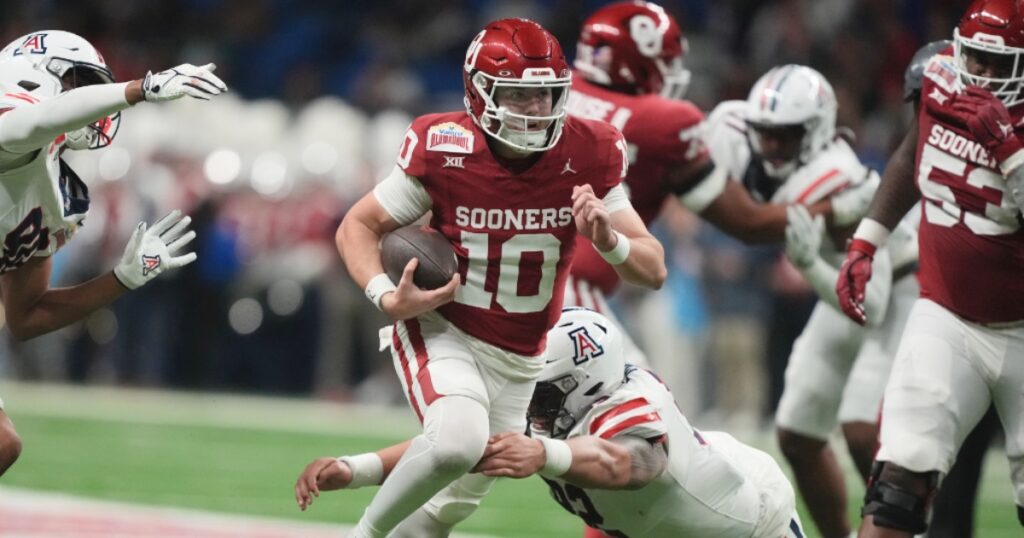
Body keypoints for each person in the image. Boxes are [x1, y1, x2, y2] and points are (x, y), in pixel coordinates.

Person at [333, 18, 666, 538]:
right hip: (446, 325)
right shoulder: (443, 146)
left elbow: (653, 268)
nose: (535, 111)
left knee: (449, 506)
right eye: (517, 96)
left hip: (523, 353)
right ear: (479, 92)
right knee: (455, 443)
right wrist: (383, 293)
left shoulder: (591, 151)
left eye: (546, 96)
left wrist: (609, 241)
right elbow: (359, 224)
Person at [295, 308, 806, 537]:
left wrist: (546, 454)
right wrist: (354, 468)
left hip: (749, 521)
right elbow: (455, 446)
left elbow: (633, 461)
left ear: (585, 380)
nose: (532, 401)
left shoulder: (630, 402)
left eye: (546, 388)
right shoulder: (557, 412)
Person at [561, 1, 877, 367]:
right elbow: (748, 223)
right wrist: (834, 208)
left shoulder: (558, 92)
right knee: (641, 410)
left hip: (520, 278)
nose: (671, 72)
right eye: (665, 61)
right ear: (635, 61)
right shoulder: (662, 121)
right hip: (567, 288)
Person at [702, 64, 917, 538]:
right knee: (797, 435)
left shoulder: (837, 176)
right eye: (766, 134)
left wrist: (808, 265)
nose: (771, 147)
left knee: (864, 433)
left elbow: (870, 306)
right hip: (840, 286)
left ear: (816, 131)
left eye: (786, 136)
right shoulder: (731, 127)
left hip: (895, 285)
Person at [835, 1, 1024, 535]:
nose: (982, 75)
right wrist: (867, 241)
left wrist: (1007, 149)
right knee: (896, 488)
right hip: (948, 317)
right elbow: (912, 150)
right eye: (977, 58)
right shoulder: (941, 79)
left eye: (998, 62)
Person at [0, 30, 227, 476]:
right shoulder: (14, 122)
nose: (90, 99)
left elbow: (26, 316)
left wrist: (122, 278)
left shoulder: (57, 197)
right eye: (78, 82)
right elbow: (30, 124)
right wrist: (138, 89)